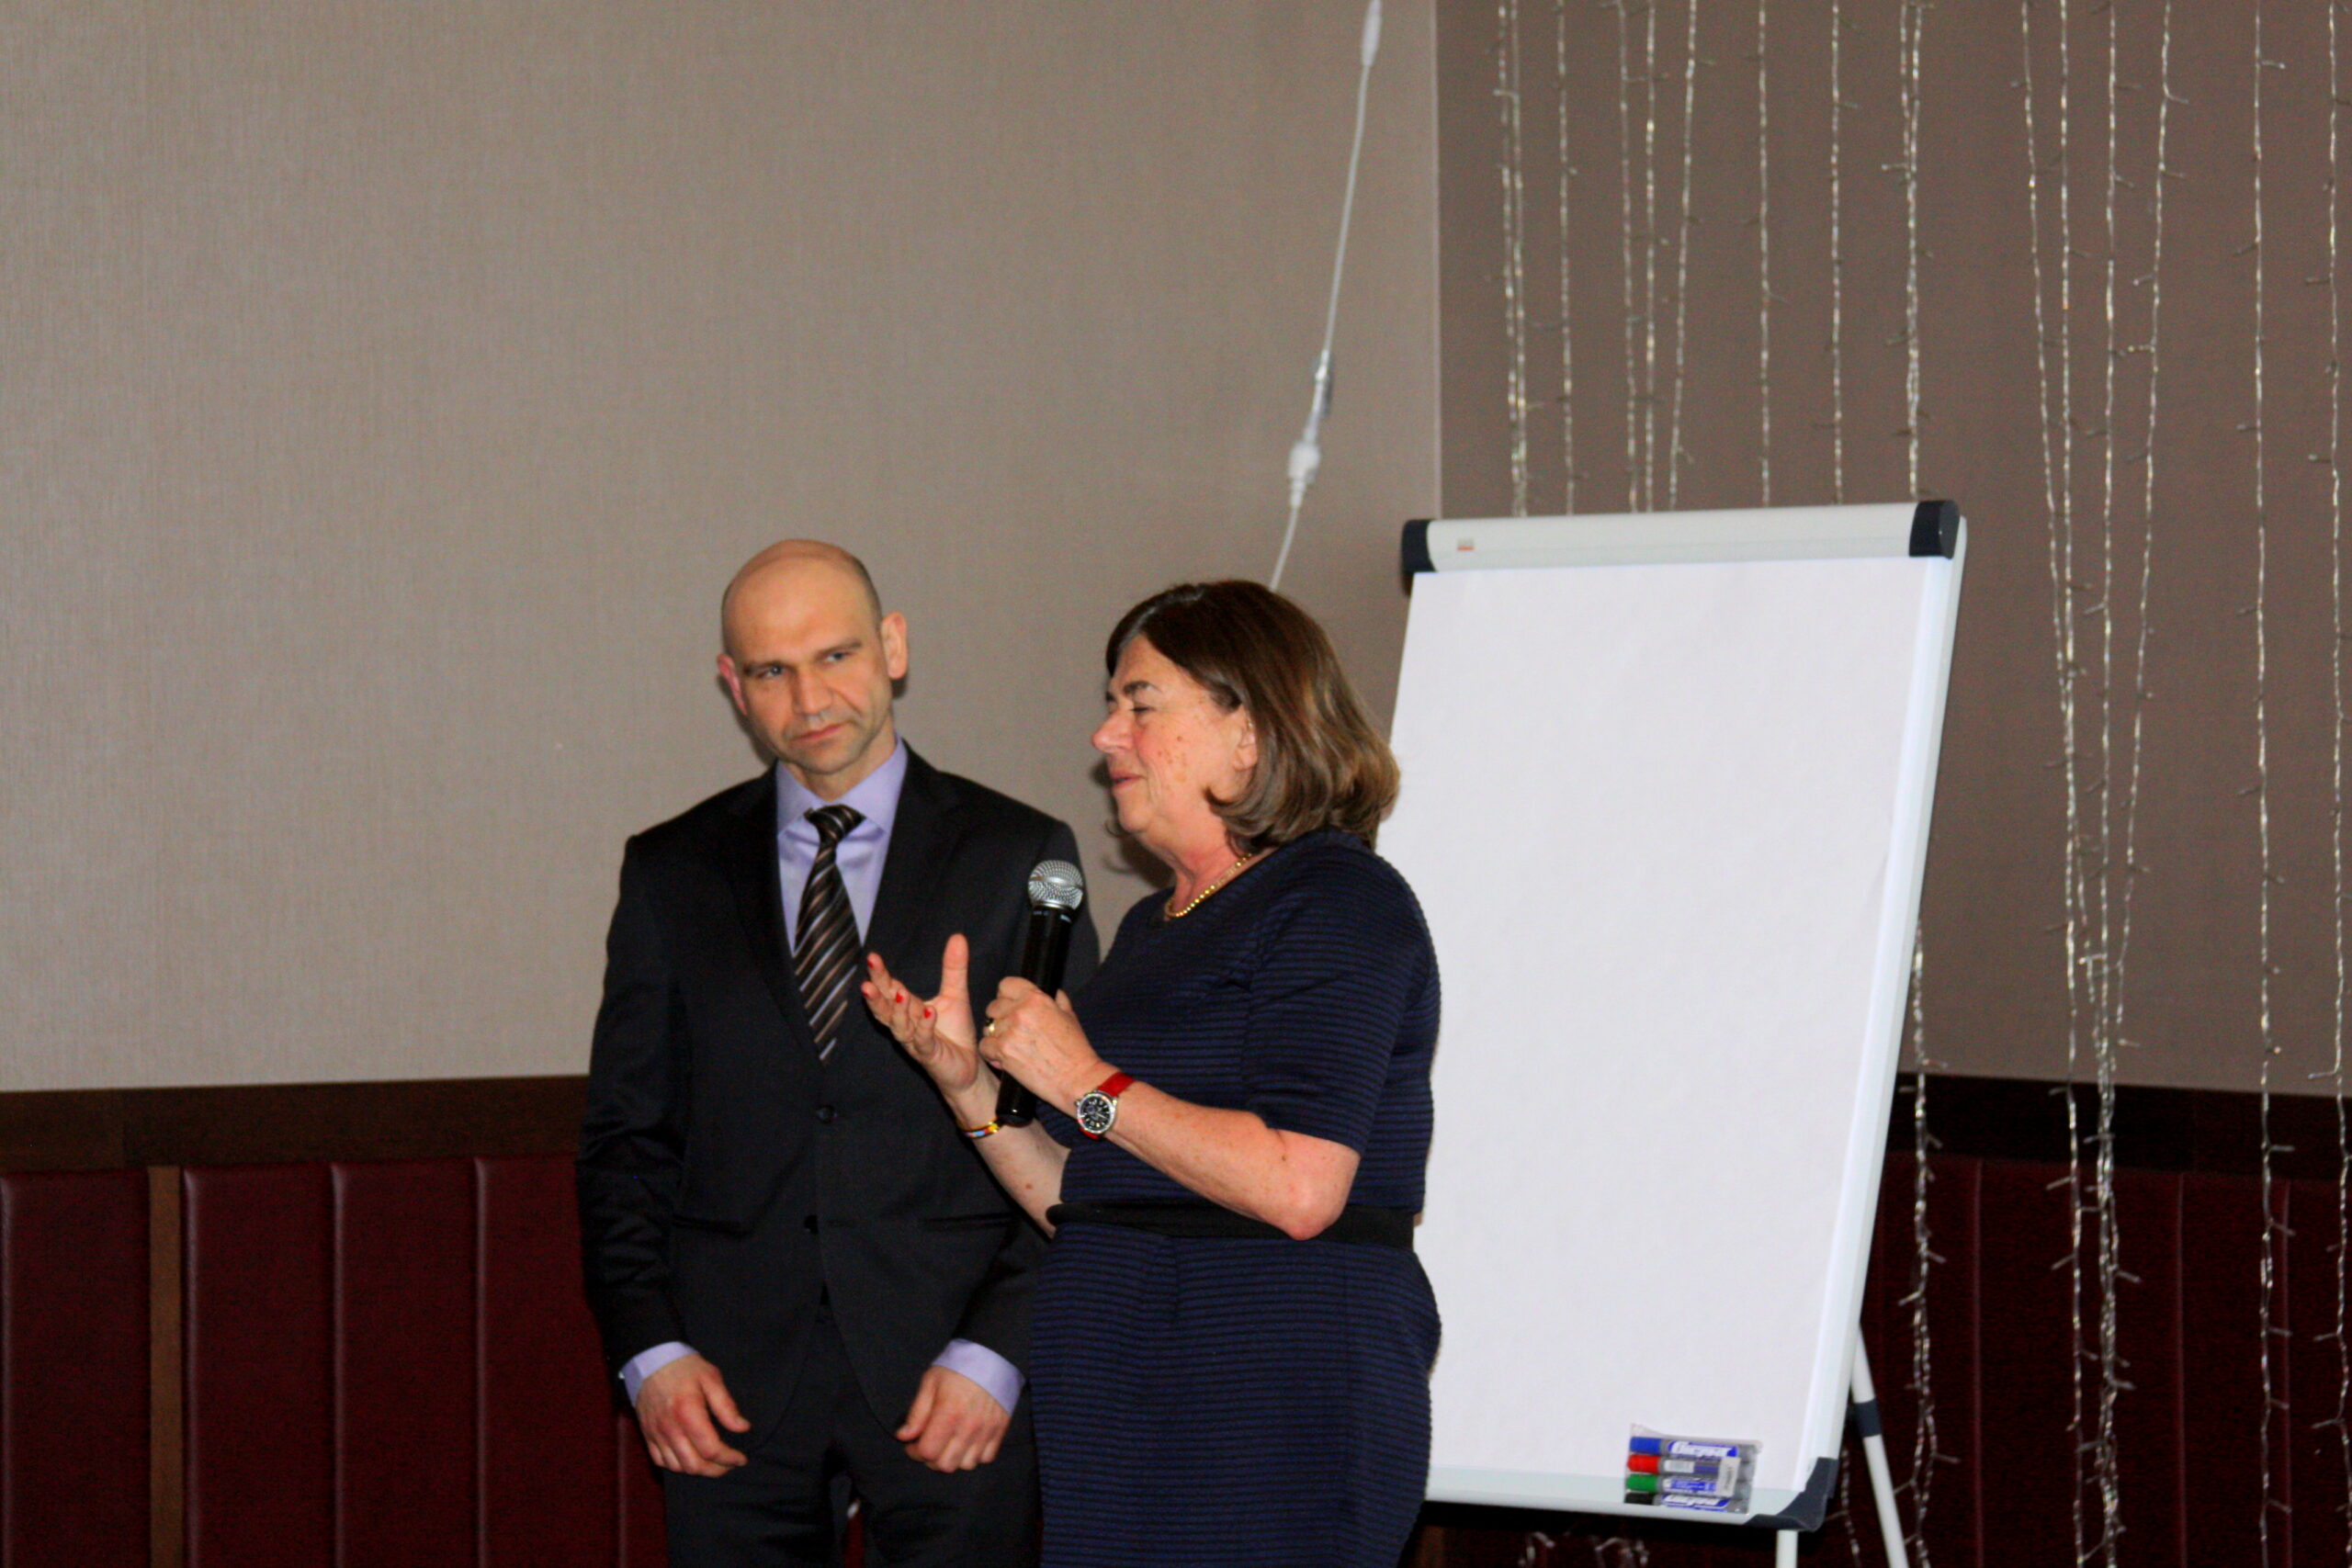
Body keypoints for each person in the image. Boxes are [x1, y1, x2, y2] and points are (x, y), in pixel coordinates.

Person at [865, 580, 1441, 1567]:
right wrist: (967, 1086)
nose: (1105, 736)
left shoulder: (1339, 900)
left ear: (1249, 733)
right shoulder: (1149, 928)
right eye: (1111, 705)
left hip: (1269, 1410)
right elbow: (1091, 1197)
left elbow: (1300, 1185)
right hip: (1123, 1408)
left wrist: (1085, 1079)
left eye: (1140, 704)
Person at [577, 540, 1098, 1567]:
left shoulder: (1019, 855)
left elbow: (1076, 1135)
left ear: (893, 648)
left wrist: (1002, 1350)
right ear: (732, 686)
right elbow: (625, 1140)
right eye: (771, 669)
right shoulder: (671, 869)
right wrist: (649, 1350)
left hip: (955, 1378)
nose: (809, 697)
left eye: (836, 655)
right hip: (723, 1391)